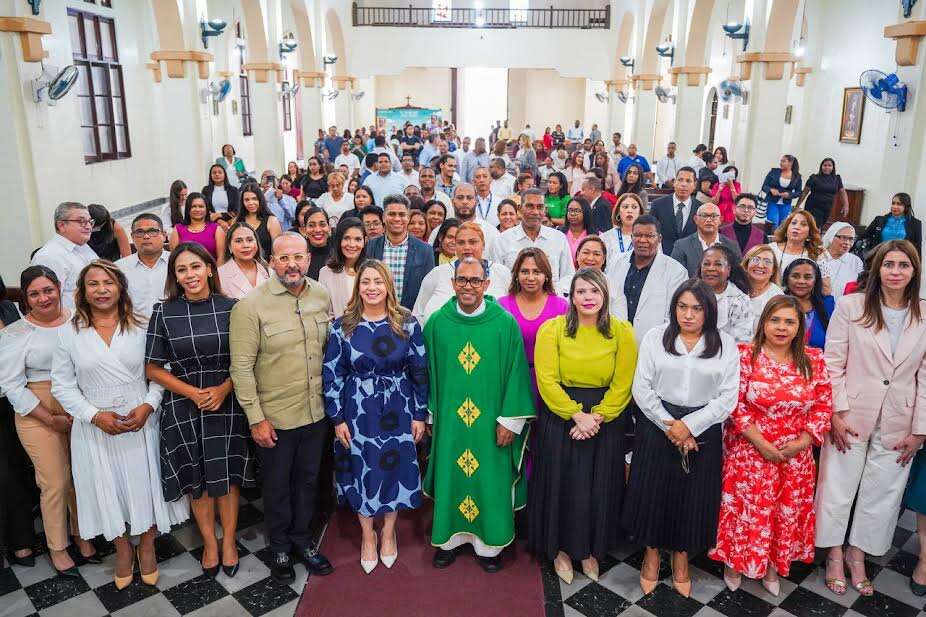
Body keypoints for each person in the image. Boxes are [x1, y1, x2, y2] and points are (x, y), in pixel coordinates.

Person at [51, 260, 188, 589]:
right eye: (93, 284)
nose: (101, 290)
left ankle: (147, 546)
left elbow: (161, 371)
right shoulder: (69, 332)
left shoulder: (143, 325)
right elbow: (62, 386)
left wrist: (148, 405)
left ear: (121, 288)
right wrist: (94, 415)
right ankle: (123, 549)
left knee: (146, 485)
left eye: (108, 283)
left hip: (141, 419)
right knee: (106, 488)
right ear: (82, 291)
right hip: (95, 425)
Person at [816, 240, 926, 597]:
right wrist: (836, 412)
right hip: (851, 413)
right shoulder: (852, 306)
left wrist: (920, 430)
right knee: (838, 487)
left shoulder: (923, 314)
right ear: (878, 268)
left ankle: (858, 554)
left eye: (903, 265)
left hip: (900, 419)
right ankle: (834, 554)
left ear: (914, 271)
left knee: (882, 493)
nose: (895, 271)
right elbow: (832, 363)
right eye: (889, 264)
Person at [229, 232, 335, 583]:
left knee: (308, 482)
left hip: (315, 412)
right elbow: (241, 368)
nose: (292, 264)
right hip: (274, 418)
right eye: (284, 258)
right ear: (271, 261)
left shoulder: (320, 295)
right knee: (277, 487)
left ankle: (302, 539)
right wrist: (256, 419)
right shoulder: (250, 306)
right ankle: (279, 547)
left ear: (308, 259)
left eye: (298, 257)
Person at [145, 244, 255, 578]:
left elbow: (248, 359)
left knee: (227, 476)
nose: (190, 274)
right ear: (175, 277)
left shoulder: (233, 308)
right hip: (184, 401)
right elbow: (152, 368)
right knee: (197, 479)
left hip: (226, 399)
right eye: (181, 270)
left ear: (209, 269)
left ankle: (229, 542)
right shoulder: (164, 312)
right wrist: (192, 393)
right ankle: (209, 542)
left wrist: (223, 389)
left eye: (195, 267)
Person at [710, 295, 832, 594]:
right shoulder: (745, 355)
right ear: (763, 323)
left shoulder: (813, 359)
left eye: (789, 321)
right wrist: (761, 443)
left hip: (795, 455)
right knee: (746, 511)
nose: (781, 327)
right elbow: (735, 403)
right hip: (750, 451)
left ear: (799, 327)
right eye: (774, 320)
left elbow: (823, 405)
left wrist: (803, 441)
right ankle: (734, 562)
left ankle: (772, 566)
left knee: (782, 513)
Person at [626, 279, 740, 597]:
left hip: (703, 429)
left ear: (709, 311)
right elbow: (642, 388)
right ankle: (651, 554)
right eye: (682, 306)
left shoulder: (725, 344)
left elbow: (728, 397)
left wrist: (690, 426)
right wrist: (671, 426)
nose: (688, 315)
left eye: (697, 308)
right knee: (652, 492)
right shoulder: (655, 337)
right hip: (657, 423)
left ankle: (681, 558)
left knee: (692, 497)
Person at [423, 257, 536, 573]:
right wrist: (430, 415)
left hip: (492, 424)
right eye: (462, 279)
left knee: (489, 480)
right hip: (450, 423)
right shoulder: (437, 323)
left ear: (486, 284)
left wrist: (509, 421)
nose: (468, 286)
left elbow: (516, 373)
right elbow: (426, 372)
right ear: (453, 283)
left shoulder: (504, 323)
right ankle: (448, 543)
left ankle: (490, 546)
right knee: (452, 476)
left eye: (475, 280)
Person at [530, 268, 637, 584]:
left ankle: (590, 549)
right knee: (562, 485)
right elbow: (546, 379)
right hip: (561, 416)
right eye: (581, 291)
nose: (588, 297)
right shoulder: (552, 329)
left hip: (605, 419)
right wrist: (576, 415)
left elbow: (623, 382)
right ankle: (561, 550)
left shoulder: (622, 331)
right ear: (571, 297)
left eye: (594, 291)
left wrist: (597, 416)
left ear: (605, 295)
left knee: (597, 486)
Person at [322, 260, 428, 573]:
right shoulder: (342, 326)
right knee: (361, 469)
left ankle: (389, 532)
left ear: (388, 286)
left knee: (395, 470)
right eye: (366, 282)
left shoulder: (407, 323)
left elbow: (420, 371)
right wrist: (337, 418)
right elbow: (332, 374)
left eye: (378, 282)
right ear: (358, 288)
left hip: (399, 408)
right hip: (357, 412)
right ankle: (368, 535)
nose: (372, 288)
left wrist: (419, 413)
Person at [0, 266, 100, 576]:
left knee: (81, 475)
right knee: (55, 481)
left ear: (58, 288)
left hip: (78, 401)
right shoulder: (15, 333)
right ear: (25, 299)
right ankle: (57, 546)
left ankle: (82, 533)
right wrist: (50, 418)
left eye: (48, 290)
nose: (43, 298)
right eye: (34, 294)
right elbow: (12, 386)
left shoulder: (79, 319)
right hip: (37, 409)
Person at [498, 248, 569, 398]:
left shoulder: (562, 307)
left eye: (537, 272)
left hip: (552, 385)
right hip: (511, 382)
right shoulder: (502, 306)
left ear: (546, 275)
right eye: (525, 271)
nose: (530, 277)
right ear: (516, 275)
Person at [412, 222, 510, 325]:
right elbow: (418, 314)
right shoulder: (437, 274)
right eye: (461, 242)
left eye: (472, 242)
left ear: (483, 245)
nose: (467, 247)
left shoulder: (502, 273)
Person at [496, 189, 575, 293]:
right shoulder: (503, 240)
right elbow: (497, 278)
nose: (535, 212)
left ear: (545, 210)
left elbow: (568, 276)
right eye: (530, 206)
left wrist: (553, 294)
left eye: (540, 207)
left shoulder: (558, 239)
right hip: (514, 300)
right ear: (520, 209)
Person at [366, 194, 435, 310]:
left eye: (402, 214)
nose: (397, 219)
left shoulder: (425, 250)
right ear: (383, 217)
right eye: (392, 214)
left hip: (411, 315)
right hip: (377, 313)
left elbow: (429, 289)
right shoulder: (370, 246)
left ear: (408, 218)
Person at [31, 202, 99, 310]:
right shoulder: (49, 257)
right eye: (81, 221)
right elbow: (48, 304)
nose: (88, 226)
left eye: (90, 222)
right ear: (61, 225)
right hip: (73, 318)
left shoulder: (83, 247)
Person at [699, 245, 754, 343]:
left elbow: (742, 341)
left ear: (728, 270)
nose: (711, 268)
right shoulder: (690, 294)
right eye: (706, 264)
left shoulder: (740, 300)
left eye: (718, 264)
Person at [671, 203, 742, 277]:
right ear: (696, 219)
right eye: (704, 216)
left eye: (713, 216)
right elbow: (675, 275)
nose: (709, 220)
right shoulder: (682, 245)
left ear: (720, 220)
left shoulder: (732, 246)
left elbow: (738, 276)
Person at [769, 210, 830, 290]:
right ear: (787, 227)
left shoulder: (816, 255)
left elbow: (826, 288)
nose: (797, 227)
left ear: (810, 232)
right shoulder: (771, 249)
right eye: (793, 223)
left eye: (803, 224)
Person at [318, 217, 367, 318]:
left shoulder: (372, 271)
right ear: (339, 240)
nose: (352, 244)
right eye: (346, 238)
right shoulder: (325, 273)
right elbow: (324, 312)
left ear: (365, 241)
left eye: (358, 239)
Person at [781, 259, 833, 349]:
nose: (801, 281)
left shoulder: (827, 304)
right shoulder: (778, 303)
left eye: (808, 277)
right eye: (795, 276)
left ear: (815, 280)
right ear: (787, 278)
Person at [858, 192, 923, 257]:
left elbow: (917, 248)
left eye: (899, 204)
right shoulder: (879, 220)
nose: (894, 206)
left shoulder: (915, 223)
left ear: (906, 206)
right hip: (879, 257)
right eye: (893, 203)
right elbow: (864, 236)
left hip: (902, 258)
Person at [650, 167, 698, 255]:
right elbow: (651, 231)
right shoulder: (658, 205)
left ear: (695, 185)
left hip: (691, 258)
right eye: (680, 180)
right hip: (663, 255)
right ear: (674, 182)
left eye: (688, 181)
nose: (683, 184)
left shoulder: (700, 208)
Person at [218, 222, 270, 299]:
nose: (245, 245)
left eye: (250, 240)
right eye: (238, 241)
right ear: (229, 246)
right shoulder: (219, 275)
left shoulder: (270, 271)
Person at [170, 192, 225, 261]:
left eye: (201, 206)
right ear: (188, 209)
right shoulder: (178, 229)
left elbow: (221, 258)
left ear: (206, 209)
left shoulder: (216, 229)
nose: (197, 209)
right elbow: (174, 259)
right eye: (194, 206)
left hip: (211, 267)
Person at [796, 158, 849, 230]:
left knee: (820, 225)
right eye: (825, 165)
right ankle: (814, 236)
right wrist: (797, 206)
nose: (827, 167)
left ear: (833, 167)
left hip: (828, 207)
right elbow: (804, 192)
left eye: (829, 165)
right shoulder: (814, 178)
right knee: (815, 226)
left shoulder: (837, 178)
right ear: (821, 166)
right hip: (814, 206)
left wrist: (846, 205)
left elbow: (842, 192)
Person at [235, 183, 282, 261]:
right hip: (242, 264)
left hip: (267, 265)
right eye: (247, 200)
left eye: (254, 199)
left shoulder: (271, 221)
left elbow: (278, 249)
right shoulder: (237, 221)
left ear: (260, 200)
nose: (251, 203)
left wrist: (270, 266)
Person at [742, 245, 783, 328]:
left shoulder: (777, 296)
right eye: (755, 260)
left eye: (767, 262)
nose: (760, 265)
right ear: (746, 265)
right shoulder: (734, 289)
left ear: (773, 270)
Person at [820, 222, 863, 299]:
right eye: (843, 238)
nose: (847, 243)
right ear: (831, 236)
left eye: (851, 239)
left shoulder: (856, 261)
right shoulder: (819, 257)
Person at [760, 155, 802, 229]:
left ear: (791, 163)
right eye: (781, 161)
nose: (781, 163)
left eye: (783, 161)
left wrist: (789, 194)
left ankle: (778, 237)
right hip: (772, 201)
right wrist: (771, 190)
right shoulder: (773, 172)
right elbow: (764, 186)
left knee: (782, 225)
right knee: (773, 223)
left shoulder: (797, 176)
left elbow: (798, 192)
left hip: (786, 204)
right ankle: (771, 236)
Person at [600, 193, 643, 262]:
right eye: (625, 207)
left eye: (634, 207)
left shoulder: (648, 238)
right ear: (618, 212)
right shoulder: (605, 238)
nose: (629, 211)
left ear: (640, 213)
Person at [560, 197, 593, 264]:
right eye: (570, 210)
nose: (572, 214)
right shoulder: (559, 234)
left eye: (577, 211)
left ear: (585, 212)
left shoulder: (596, 235)